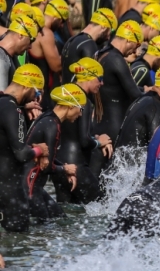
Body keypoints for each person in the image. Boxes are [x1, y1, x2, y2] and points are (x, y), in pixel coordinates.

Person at [23, 84, 86, 221]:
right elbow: (46, 168)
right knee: (44, 228)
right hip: (29, 187)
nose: (80, 114)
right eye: (80, 109)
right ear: (70, 106)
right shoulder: (53, 126)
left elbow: (49, 158)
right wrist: (65, 169)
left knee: (61, 219)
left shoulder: (48, 117)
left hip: (31, 185)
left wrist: (64, 167)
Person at [56, 58, 113, 204]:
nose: (102, 83)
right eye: (99, 79)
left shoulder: (65, 95)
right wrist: (99, 142)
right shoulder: (83, 101)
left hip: (60, 166)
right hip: (77, 165)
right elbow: (83, 140)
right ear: (89, 77)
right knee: (101, 206)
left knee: (65, 214)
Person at [0, 64, 49, 232]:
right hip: (9, 190)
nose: (36, 100)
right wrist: (40, 150)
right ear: (27, 86)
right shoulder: (14, 111)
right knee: (18, 244)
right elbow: (21, 154)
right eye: (37, 94)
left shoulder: (4, 104)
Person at [92, 21, 144, 176]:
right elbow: (135, 95)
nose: (136, 50)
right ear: (128, 40)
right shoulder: (116, 59)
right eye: (136, 45)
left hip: (99, 126)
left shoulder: (100, 53)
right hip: (115, 129)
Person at [115, 64, 160, 150]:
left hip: (122, 159)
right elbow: (157, 146)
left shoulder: (143, 99)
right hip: (134, 161)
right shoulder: (156, 107)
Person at [29, 0, 70, 110]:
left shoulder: (34, 28)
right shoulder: (46, 33)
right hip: (44, 93)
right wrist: (73, 57)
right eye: (62, 21)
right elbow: (56, 65)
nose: (61, 25)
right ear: (56, 18)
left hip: (33, 90)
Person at [62, 8, 116, 84]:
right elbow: (93, 78)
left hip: (66, 90)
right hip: (78, 94)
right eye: (111, 31)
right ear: (103, 27)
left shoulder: (72, 39)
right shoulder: (89, 44)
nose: (108, 37)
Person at [0, 15, 38, 91]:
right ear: (20, 35)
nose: (30, 46)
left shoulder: (9, 57)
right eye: (31, 40)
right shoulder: (1, 58)